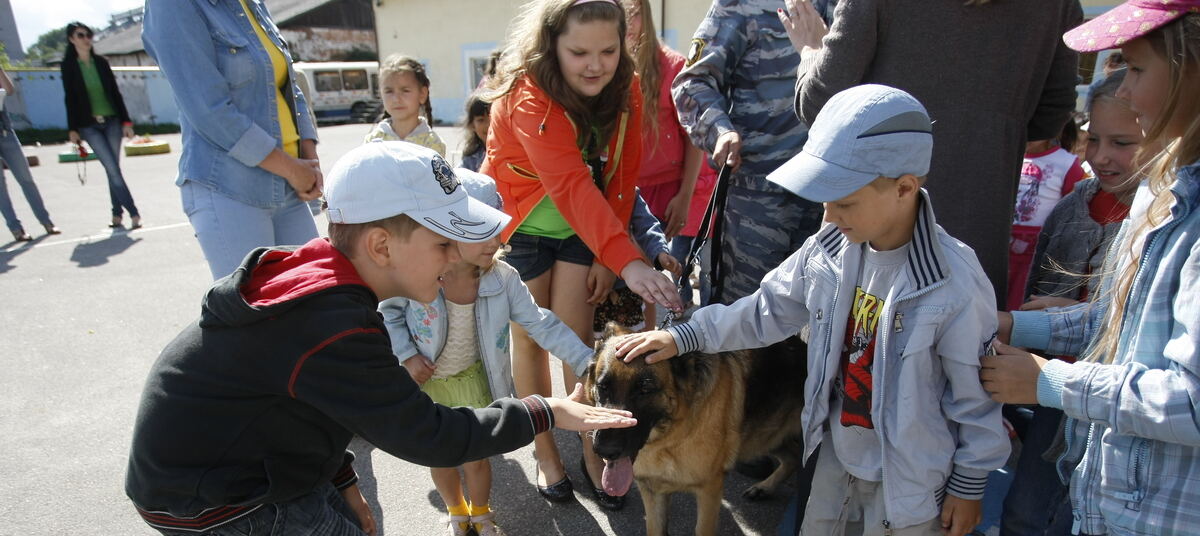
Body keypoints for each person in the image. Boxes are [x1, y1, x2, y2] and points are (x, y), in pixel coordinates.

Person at [124, 141, 638, 536]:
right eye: (443, 244)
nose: (453, 258)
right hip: (216, 498)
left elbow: (313, 407)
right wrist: (544, 411)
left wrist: (342, 480)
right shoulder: (332, 324)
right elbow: (428, 435)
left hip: (249, 464)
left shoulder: (331, 288)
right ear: (381, 246)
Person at [615, 85, 1009, 536]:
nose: (829, 215)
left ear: (904, 187)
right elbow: (764, 310)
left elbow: (975, 394)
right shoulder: (829, 248)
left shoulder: (954, 281)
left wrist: (969, 483)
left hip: (912, 479)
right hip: (836, 456)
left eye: (844, 202)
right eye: (824, 200)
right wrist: (684, 335)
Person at [981, 4, 1200, 535]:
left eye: (1137, 69)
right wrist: (1015, 325)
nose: (1126, 91)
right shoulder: (1165, 194)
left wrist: (1052, 382)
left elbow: (1191, 402)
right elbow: (1121, 323)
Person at [479, 0, 682, 510]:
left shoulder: (626, 86)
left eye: (608, 51)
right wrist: (629, 259)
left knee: (576, 342)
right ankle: (546, 450)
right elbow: (570, 183)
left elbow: (622, 178)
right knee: (529, 340)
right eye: (579, 53)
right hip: (520, 225)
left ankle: (595, 450)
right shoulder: (527, 93)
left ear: (624, 46)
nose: (595, 65)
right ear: (551, 46)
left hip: (582, 229)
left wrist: (607, 258)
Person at [790, 0, 1082, 306]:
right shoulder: (1057, 6)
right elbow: (1050, 116)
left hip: (871, 243)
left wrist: (811, 51)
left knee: (849, 333)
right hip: (977, 239)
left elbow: (820, 105)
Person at [379, 170, 595, 536]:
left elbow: (542, 323)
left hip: (475, 383)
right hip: (429, 385)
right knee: (439, 458)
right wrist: (406, 355)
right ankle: (457, 512)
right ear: (448, 230)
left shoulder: (503, 278)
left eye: (497, 228)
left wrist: (586, 360)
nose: (496, 240)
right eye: (482, 230)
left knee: (477, 458)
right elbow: (389, 311)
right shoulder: (420, 273)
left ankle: (480, 514)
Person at [996, 69, 1141, 536]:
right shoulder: (1070, 209)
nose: (1100, 156)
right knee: (1026, 509)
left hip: (1116, 405)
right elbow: (1037, 285)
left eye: (1122, 143)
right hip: (1050, 388)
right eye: (1093, 139)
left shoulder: (1158, 223)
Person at [143, 0, 323, 280]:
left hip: (290, 185)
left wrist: (308, 156)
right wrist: (291, 168)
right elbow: (208, 111)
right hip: (231, 187)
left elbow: (288, 84)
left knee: (315, 296)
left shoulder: (252, 3)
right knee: (251, 306)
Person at [671, 0, 834, 305]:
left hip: (835, 200)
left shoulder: (852, 7)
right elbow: (692, 83)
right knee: (743, 320)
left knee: (823, 321)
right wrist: (720, 130)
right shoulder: (742, 5)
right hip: (756, 204)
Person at [621, 0, 702, 237]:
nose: (628, 23)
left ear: (646, 15)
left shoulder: (673, 66)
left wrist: (685, 196)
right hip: (619, 189)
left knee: (659, 258)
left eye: (635, 14)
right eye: (622, 13)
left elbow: (693, 137)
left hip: (664, 192)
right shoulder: (603, 68)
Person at [60, 22, 141, 231]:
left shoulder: (101, 63)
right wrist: (72, 129)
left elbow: (115, 93)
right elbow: (70, 98)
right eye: (81, 35)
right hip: (89, 126)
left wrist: (126, 121)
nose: (86, 39)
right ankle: (133, 212)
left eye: (88, 35)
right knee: (112, 169)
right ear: (71, 39)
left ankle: (116, 213)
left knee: (113, 169)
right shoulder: (69, 66)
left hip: (112, 121)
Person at [1008, 126, 1088, 311]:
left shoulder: (1066, 162)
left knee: (1021, 297)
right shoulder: (1007, 155)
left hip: (1036, 245)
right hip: (1004, 238)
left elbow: (1074, 206)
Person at [0, 66, 59, 242]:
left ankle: (46, 222)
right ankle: (16, 229)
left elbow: (9, 90)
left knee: (26, 179)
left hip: (6, 133)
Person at [364, 55, 446, 156]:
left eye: (405, 90)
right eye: (389, 91)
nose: (396, 99)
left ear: (422, 94)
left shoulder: (433, 144)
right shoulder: (373, 141)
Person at [460, 95, 490, 172]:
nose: (487, 125)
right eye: (481, 120)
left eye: (492, 118)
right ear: (472, 125)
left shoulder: (510, 153)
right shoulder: (470, 159)